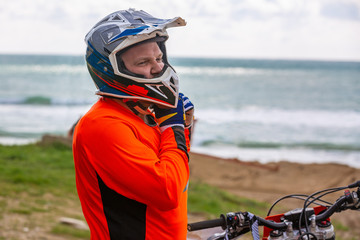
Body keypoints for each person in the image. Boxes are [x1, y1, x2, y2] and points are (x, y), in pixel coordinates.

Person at [72, 9, 194, 240]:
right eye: (143, 62)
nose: (158, 68)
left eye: (159, 58)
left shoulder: (144, 115)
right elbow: (167, 192)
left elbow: (179, 174)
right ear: (113, 71)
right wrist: (173, 126)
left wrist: (181, 127)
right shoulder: (104, 125)